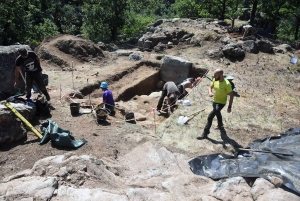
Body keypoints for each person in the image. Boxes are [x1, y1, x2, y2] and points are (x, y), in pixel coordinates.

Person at [197, 69, 233, 139]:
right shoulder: (215, 80)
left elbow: (231, 95)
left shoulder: (227, 84)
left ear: (220, 75)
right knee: (217, 112)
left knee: (210, 116)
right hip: (215, 101)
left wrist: (229, 106)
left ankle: (205, 133)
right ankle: (220, 124)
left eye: (215, 75)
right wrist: (210, 92)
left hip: (221, 103)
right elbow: (210, 87)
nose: (214, 76)